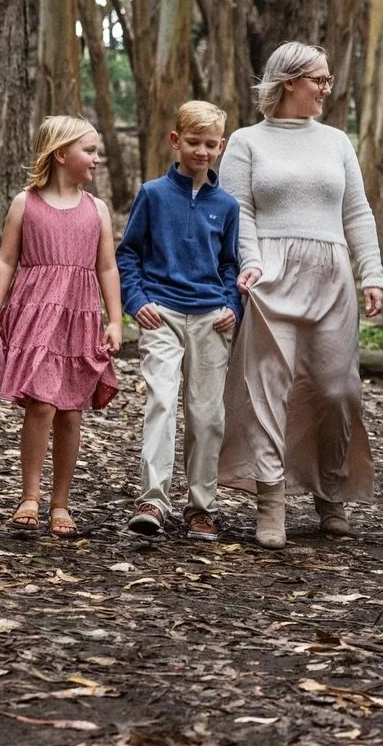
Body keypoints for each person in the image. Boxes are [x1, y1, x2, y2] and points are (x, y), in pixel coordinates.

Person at [216, 42, 383, 549]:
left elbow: (356, 211)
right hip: (269, 275)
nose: (326, 89)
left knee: (336, 389)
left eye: (328, 80)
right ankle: (272, 498)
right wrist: (251, 263)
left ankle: (330, 492)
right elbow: (237, 210)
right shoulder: (247, 142)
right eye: (319, 79)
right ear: (289, 82)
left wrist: (371, 272)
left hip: (331, 276)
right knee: (269, 388)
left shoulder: (335, 141)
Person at [0, 116, 121, 539]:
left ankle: (61, 502)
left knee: (71, 411)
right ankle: (30, 496)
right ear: (61, 154)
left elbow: (107, 266)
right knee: (41, 403)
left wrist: (115, 320)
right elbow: (6, 260)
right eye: (89, 150)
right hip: (35, 311)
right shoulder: (26, 203)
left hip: (79, 314)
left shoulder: (96, 209)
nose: (97, 158)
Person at [117, 101, 241, 542]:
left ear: (221, 146)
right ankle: (153, 499)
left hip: (211, 318)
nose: (201, 151)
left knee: (207, 414)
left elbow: (230, 264)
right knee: (162, 401)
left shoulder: (226, 205)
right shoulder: (152, 194)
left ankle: (201, 507)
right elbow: (128, 253)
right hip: (162, 313)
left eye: (210, 144)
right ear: (175, 141)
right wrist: (136, 300)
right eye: (193, 142)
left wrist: (233, 305)